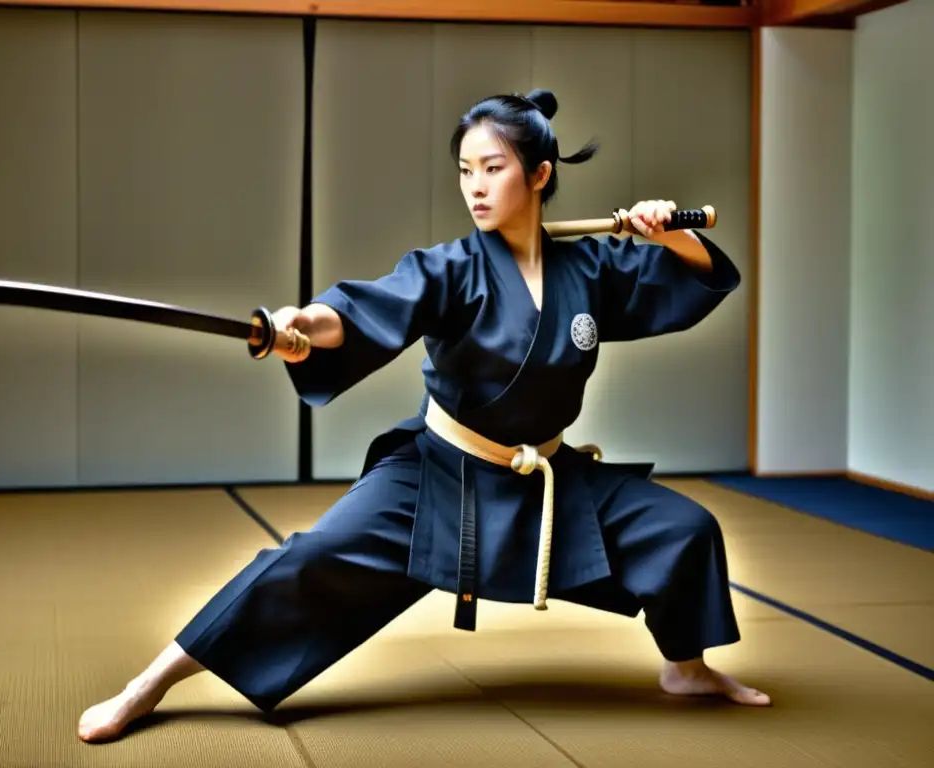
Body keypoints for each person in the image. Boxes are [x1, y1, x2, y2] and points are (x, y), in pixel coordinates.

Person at [78, 88, 770, 744]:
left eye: (493, 168)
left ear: (539, 175)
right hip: (441, 475)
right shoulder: (450, 269)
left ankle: (686, 666)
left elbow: (701, 274)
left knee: (683, 528)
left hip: (544, 477)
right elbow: (356, 312)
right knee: (308, 559)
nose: (474, 185)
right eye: (466, 169)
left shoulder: (591, 267)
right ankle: (151, 682)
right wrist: (298, 326)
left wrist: (666, 232)